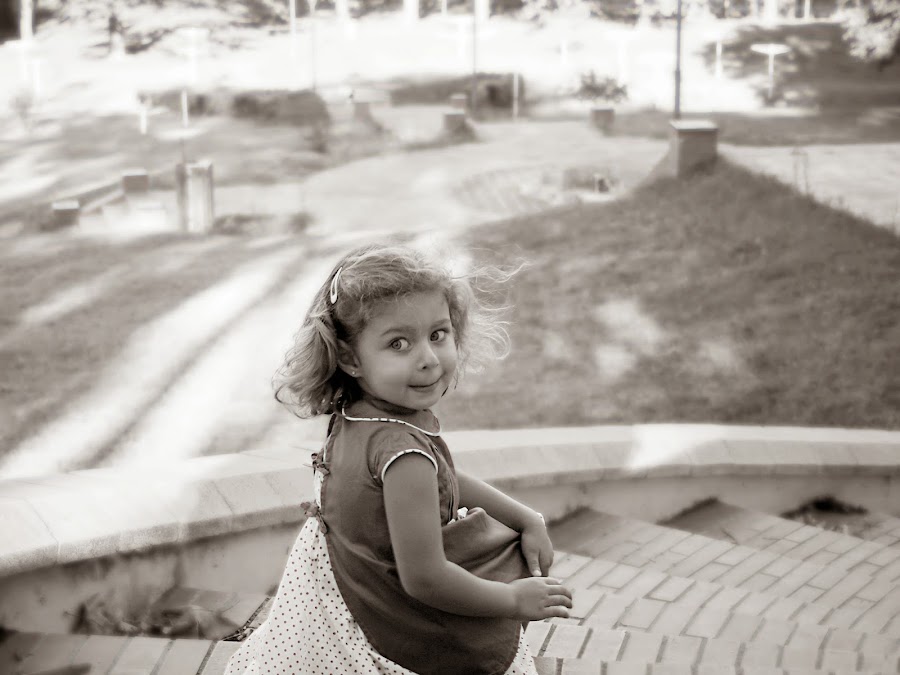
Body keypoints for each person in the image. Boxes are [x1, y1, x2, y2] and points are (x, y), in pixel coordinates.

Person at [225, 242, 572, 675]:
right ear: (351, 357)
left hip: (341, 593)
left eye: (437, 334)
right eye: (399, 343)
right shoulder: (402, 454)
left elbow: (440, 476)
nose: (427, 359)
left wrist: (524, 517)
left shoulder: (356, 413)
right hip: (397, 619)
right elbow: (426, 578)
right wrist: (513, 599)